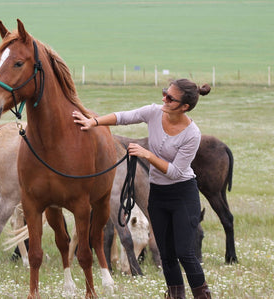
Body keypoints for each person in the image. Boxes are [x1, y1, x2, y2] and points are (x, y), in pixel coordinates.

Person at [72, 79, 212, 299]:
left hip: (183, 194)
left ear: (184, 106)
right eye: (165, 93)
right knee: (166, 254)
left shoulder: (192, 134)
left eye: (170, 98)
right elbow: (124, 117)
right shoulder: (155, 112)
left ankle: (203, 296)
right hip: (158, 194)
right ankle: (176, 296)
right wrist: (94, 122)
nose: (164, 99)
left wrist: (147, 155)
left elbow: (175, 172)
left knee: (184, 253)